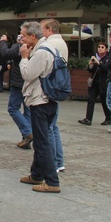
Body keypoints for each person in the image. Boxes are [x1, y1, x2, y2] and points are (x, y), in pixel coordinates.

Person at [18, 21, 61, 193]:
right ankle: (36, 174)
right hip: (48, 99)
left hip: (40, 101)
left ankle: (52, 181)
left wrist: (24, 58)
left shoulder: (42, 52)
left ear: (32, 36)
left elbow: (27, 74)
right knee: (40, 137)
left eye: (23, 36)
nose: (21, 39)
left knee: (42, 142)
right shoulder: (48, 48)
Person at [40, 19, 67, 172]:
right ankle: (58, 161)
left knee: (49, 128)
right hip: (57, 86)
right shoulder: (61, 42)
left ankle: (54, 162)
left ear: (49, 29)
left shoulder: (51, 44)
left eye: (43, 29)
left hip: (50, 87)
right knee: (53, 127)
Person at [0, 31, 33, 148]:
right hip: (30, 81)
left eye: (22, 34)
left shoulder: (20, 46)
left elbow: (5, 53)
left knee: (13, 108)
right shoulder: (34, 46)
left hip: (19, 82)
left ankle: (28, 132)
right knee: (28, 111)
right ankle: (26, 139)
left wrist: (3, 42)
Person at [78, 42, 111, 126]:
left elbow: (106, 69)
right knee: (90, 100)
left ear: (106, 49)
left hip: (103, 83)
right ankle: (88, 119)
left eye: (102, 47)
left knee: (104, 102)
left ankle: (108, 119)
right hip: (94, 83)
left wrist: (98, 63)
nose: (100, 48)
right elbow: (90, 71)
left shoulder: (108, 58)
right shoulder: (94, 56)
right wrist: (90, 65)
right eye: (99, 47)